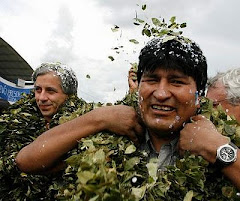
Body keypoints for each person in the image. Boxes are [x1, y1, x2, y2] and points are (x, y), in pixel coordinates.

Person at [16, 37, 240, 191]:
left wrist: (218, 149)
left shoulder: (223, 136)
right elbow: (27, 161)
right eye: (151, 80)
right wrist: (99, 118)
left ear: (198, 94)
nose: (161, 93)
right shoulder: (112, 134)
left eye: (177, 82)